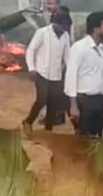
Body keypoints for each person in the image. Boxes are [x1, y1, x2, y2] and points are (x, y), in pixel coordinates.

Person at [22, 9, 71, 138]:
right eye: (62, 26)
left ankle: (48, 131)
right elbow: (31, 50)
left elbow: (67, 56)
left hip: (56, 74)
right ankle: (28, 121)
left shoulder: (65, 36)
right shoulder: (42, 33)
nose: (64, 29)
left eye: (66, 26)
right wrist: (31, 68)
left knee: (53, 104)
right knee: (41, 100)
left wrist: (70, 72)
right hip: (41, 72)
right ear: (55, 24)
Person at [64, 11, 103, 138]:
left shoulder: (102, 48)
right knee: (83, 139)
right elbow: (71, 76)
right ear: (96, 29)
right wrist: (73, 105)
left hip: (97, 100)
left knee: (96, 137)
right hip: (83, 100)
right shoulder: (79, 48)